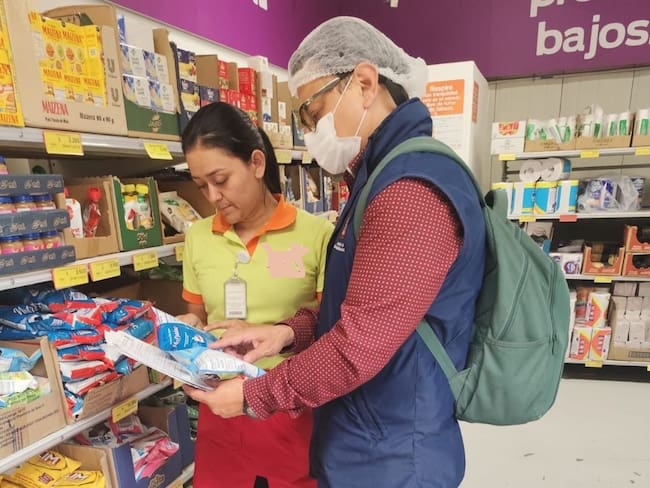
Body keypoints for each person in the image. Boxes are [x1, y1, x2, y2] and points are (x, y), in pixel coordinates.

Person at [184, 17, 487, 488]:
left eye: (313, 111)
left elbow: (357, 347)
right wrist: (286, 332)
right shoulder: (379, 178)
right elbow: (355, 306)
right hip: (365, 434)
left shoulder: (410, 190)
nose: (311, 131)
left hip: (394, 452)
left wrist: (254, 395)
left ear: (364, 84)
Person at [178, 102, 333, 488]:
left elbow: (330, 330)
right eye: (201, 185)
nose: (213, 195)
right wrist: (187, 328)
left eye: (221, 179)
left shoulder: (316, 235)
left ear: (257, 163)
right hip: (220, 412)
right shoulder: (198, 238)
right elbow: (199, 317)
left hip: (290, 410)